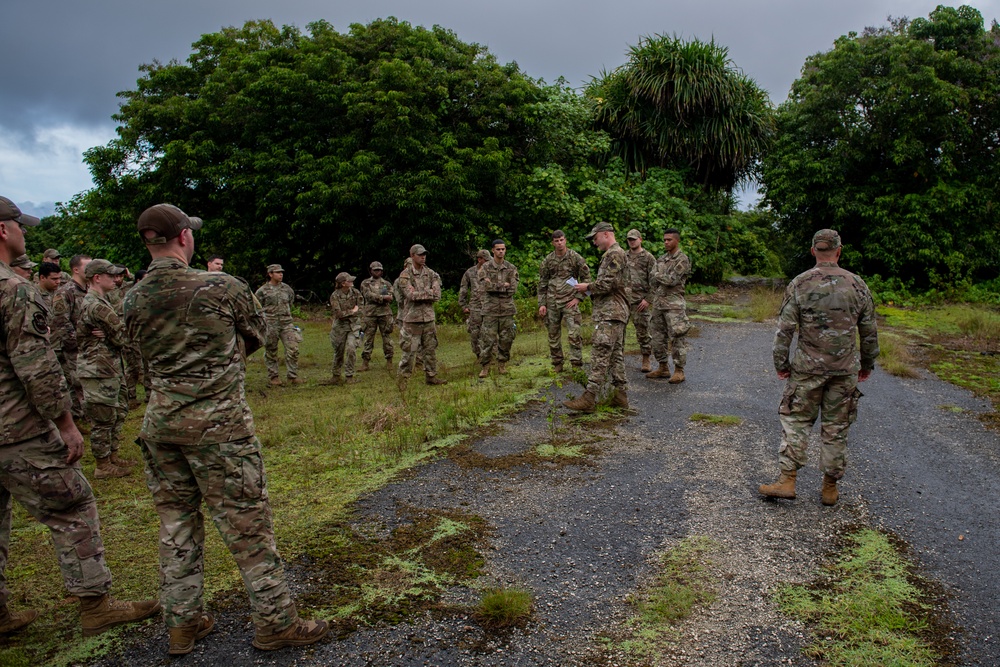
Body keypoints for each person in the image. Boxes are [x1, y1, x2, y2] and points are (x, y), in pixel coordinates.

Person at [123, 203, 328, 655]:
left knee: (176, 527)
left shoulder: (132, 296)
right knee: (248, 527)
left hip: (160, 426)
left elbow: (134, 352)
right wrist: (215, 359)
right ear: (183, 238)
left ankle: (183, 624)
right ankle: (276, 623)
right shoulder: (221, 287)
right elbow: (255, 335)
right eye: (190, 233)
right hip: (220, 430)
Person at [0, 195, 160, 637]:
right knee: (72, 505)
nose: (24, 233)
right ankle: (96, 603)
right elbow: (36, 365)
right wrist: (66, 425)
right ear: (2, 230)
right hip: (14, 430)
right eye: (20, 225)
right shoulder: (13, 291)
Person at [759, 229, 879, 506]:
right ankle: (829, 488)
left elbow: (784, 330)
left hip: (807, 369)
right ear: (839, 250)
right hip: (844, 370)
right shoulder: (857, 285)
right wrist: (867, 363)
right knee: (837, 427)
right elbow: (869, 331)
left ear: (813, 250)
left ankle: (787, 480)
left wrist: (781, 364)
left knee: (796, 421)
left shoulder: (800, 284)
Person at [77, 260, 134, 479]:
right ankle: (102, 465)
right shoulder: (96, 305)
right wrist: (115, 333)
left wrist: (113, 332)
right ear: (97, 278)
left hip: (108, 366)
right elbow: (123, 336)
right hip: (98, 369)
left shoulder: (100, 300)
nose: (115, 279)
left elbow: (118, 332)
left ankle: (111, 455)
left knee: (117, 412)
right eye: (110, 275)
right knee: (103, 418)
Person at [564, 222, 629, 412]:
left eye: (595, 238)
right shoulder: (613, 254)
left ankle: (589, 398)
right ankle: (620, 395)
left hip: (611, 312)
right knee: (615, 356)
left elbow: (608, 284)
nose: (594, 242)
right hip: (614, 312)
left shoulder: (614, 254)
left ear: (606, 234)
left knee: (600, 354)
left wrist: (587, 287)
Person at [537, 230, 591, 373]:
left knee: (574, 334)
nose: (559, 243)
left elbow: (587, 279)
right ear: (552, 243)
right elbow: (542, 283)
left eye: (561, 240)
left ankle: (576, 364)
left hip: (569, 301)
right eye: (556, 241)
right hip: (552, 302)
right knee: (553, 335)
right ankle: (557, 363)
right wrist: (542, 304)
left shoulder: (575, 257)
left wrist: (578, 298)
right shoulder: (548, 260)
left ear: (565, 240)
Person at [397, 244, 447, 389]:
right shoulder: (406, 275)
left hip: (428, 318)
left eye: (424, 254)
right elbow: (410, 295)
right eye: (420, 255)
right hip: (412, 320)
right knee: (409, 352)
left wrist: (423, 293)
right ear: (412, 255)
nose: (423, 257)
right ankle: (403, 380)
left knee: (430, 349)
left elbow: (437, 295)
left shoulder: (431, 273)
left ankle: (431, 376)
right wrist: (428, 292)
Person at [646, 228, 691, 384]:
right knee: (657, 337)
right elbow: (651, 280)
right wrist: (658, 277)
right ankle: (663, 367)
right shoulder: (661, 259)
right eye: (664, 239)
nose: (666, 242)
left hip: (674, 305)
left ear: (677, 240)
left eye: (669, 240)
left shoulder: (682, 259)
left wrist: (658, 275)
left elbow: (672, 280)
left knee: (677, 337)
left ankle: (679, 370)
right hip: (659, 303)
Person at [51, 254, 92, 421]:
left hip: (88, 345)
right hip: (72, 346)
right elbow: (61, 322)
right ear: (76, 269)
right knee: (76, 382)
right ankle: (77, 416)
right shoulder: (65, 292)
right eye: (87, 267)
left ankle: (83, 415)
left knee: (85, 381)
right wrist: (79, 342)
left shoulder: (89, 290)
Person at [477, 239, 519, 377]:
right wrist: (503, 285)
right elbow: (486, 287)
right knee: (487, 340)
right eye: (498, 249)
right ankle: (485, 367)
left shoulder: (511, 268)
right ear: (493, 251)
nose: (501, 251)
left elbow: (513, 289)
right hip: (490, 310)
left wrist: (496, 285)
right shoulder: (486, 268)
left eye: (503, 249)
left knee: (506, 339)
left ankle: (502, 364)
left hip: (507, 310)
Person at [254, 264, 301, 386]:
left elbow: (291, 301)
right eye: (277, 272)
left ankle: (292, 376)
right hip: (270, 324)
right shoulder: (262, 291)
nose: (281, 274)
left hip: (286, 323)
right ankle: (273, 377)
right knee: (271, 350)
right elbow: (256, 307)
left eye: (281, 272)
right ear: (270, 274)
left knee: (293, 348)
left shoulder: (287, 289)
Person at [624, 229, 656, 372]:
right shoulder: (623, 256)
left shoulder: (648, 258)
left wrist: (648, 299)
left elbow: (655, 281)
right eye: (629, 239)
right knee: (618, 332)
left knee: (643, 331)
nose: (632, 241)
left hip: (640, 301)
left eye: (634, 239)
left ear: (640, 239)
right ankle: (617, 360)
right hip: (624, 300)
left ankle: (646, 358)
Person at [359, 262, 394, 371]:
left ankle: (389, 361)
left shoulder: (386, 284)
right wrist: (382, 298)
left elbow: (390, 296)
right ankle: (365, 362)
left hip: (384, 313)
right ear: (371, 271)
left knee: (387, 338)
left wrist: (384, 298)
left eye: (379, 270)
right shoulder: (366, 283)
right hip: (370, 314)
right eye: (375, 270)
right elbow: (368, 295)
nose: (377, 272)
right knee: (368, 338)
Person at [329, 272, 363, 384]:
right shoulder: (335, 295)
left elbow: (361, 309)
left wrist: (352, 312)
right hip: (340, 328)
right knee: (339, 351)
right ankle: (336, 375)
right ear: (343, 283)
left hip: (353, 326)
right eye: (349, 280)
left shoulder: (356, 293)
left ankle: (349, 375)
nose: (352, 282)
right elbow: (338, 314)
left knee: (351, 348)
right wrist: (352, 311)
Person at [459, 250, 490, 360]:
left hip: (489, 306)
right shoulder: (470, 272)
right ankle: (478, 355)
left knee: (490, 332)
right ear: (479, 259)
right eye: (485, 260)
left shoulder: (491, 271)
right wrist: (463, 305)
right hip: (475, 307)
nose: (487, 262)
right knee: (475, 333)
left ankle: (491, 356)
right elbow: (463, 289)